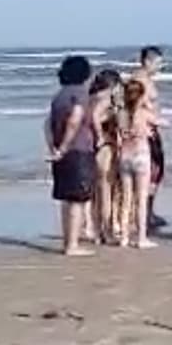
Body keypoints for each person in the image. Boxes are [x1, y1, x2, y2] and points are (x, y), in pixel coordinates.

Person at [45, 55, 97, 257]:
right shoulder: (80, 94)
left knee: (67, 200)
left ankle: (69, 240)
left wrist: (55, 149)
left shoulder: (59, 96)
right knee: (77, 199)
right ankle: (71, 245)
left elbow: (47, 125)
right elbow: (75, 120)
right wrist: (65, 147)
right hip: (78, 151)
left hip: (61, 153)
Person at [117, 79, 167, 249]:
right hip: (141, 156)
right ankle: (141, 238)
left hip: (125, 156)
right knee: (141, 199)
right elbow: (162, 122)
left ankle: (124, 237)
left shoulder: (121, 113)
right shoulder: (144, 113)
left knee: (126, 199)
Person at [130, 45, 167, 229]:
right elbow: (137, 106)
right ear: (147, 61)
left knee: (156, 172)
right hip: (146, 131)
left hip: (152, 130)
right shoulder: (139, 80)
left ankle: (147, 211)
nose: (160, 66)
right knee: (150, 172)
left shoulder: (147, 80)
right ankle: (141, 213)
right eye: (158, 62)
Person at [88, 69, 124, 245]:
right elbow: (95, 117)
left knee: (97, 193)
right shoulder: (105, 98)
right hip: (105, 148)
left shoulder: (91, 97)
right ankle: (107, 231)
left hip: (92, 149)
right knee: (106, 191)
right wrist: (101, 137)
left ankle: (97, 232)